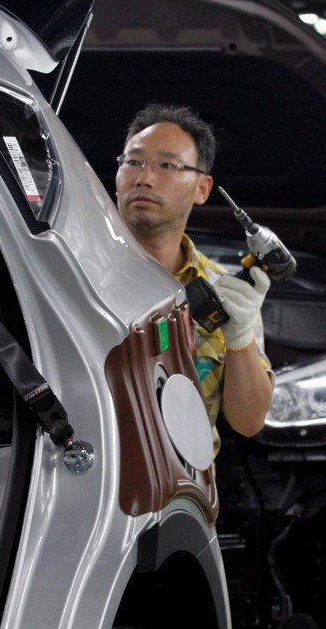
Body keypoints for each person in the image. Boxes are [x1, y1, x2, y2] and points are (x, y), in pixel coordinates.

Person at [115, 104, 273, 452]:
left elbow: (248, 422)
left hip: (182, 494)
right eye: (133, 161)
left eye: (167, 165)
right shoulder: (76, 271)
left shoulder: (225, 291)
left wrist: (240, 337)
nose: (144, 177)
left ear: (202, 189)